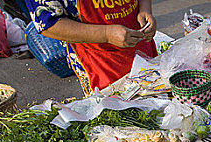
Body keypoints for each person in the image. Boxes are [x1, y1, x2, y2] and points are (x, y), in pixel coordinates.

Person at [24, 0, 158, 94]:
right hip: (98, 62)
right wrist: (106, 34)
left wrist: (144, 9)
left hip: (142, 48)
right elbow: (49, 25)